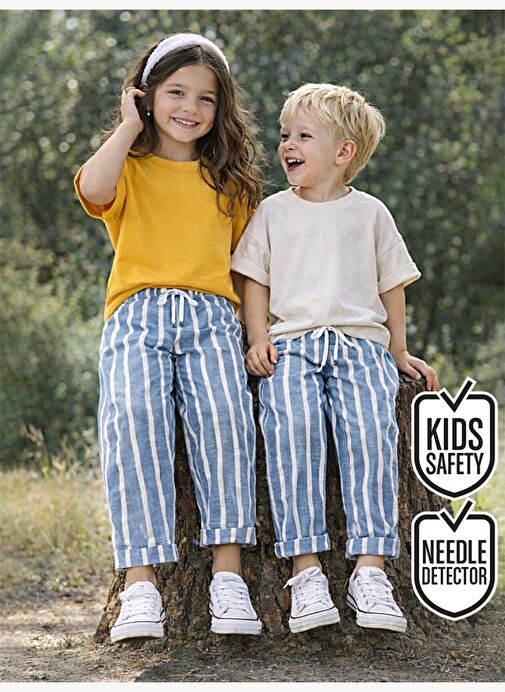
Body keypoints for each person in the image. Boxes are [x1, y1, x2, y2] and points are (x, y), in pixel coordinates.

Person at [74, 33, 265, 642]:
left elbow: (248, 270)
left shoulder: (231, 182)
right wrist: (128, 126)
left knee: (226, 422)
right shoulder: (127, 165)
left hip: (213, 317)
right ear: (147, 95)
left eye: (206, 98)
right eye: (176, 92)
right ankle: (140, 584)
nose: (190, 107)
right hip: (137, 315)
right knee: (132, 424)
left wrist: (254, 333)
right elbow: (92, 189)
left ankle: (228, 577)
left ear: (221, 108)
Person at [231, 82, 439, 634]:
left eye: (303, 136)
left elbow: (392, 286)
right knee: (291, 432)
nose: (287, 145)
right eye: (285, 135)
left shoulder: (370, 213)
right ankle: (306, 572)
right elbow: (254, 280)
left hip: (360, 346)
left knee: (371, 436)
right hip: (293, 345)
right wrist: (257, 337)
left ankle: (371, 570)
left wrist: (398, 350)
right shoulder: (272, 211)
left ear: (344, 152)